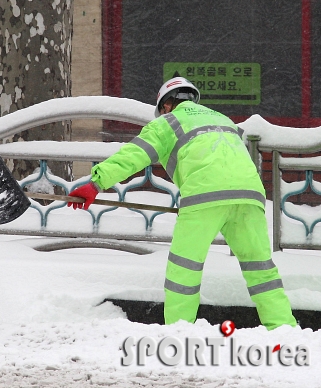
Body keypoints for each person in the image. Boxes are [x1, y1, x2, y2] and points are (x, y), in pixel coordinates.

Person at [67, 77, 297, 330]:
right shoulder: (223, 120)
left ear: (166, 105)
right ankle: (283, 328)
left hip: (204, 196)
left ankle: (179, 329)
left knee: (184, 269)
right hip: (250, 195)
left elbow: (134, 155)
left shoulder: (168, 123)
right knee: (261, 269)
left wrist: (96, 183)